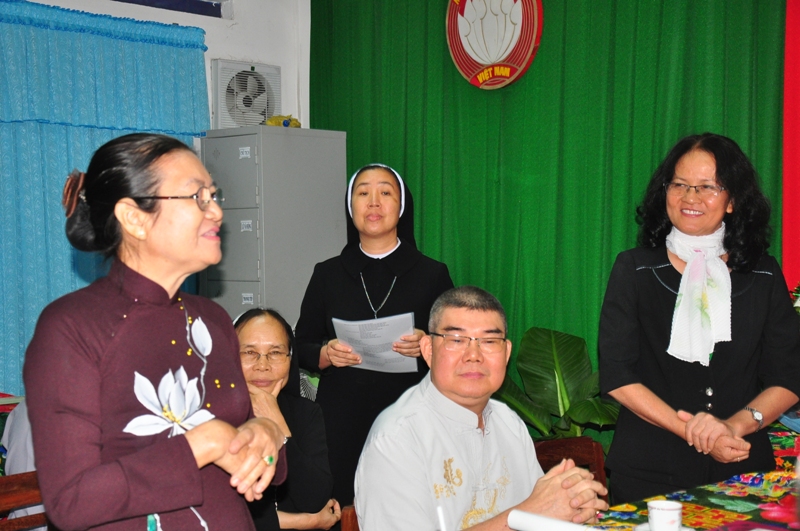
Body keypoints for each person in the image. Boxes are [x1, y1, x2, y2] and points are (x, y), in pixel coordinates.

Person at [23, 133, 286, 531]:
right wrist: (202, 444)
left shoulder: (213, 320)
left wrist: (267, 433)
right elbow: (70, 502)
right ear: (134, 218)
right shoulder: (71, 327)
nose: (216, 211)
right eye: (197, 196)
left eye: (214, 195)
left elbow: (264, 464)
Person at [599, 133, 800, 503]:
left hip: (741, 464)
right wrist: (694, 431)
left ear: (733, 200)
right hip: (648, 470)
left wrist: (733, 427)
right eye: (679, 184)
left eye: (707, 187)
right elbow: (617, 375)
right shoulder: (635, 269)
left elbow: (787, 376)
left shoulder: (764, 274)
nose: (690, 197)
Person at [354, 286, 608, 530]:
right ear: (428, 350)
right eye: (456, 339)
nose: (473, 355)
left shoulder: (509, 422)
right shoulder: (396, 438)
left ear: (506, 353)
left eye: (489, 341)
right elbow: (535, 510)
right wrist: (527, 515)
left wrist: (572, 509)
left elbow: (543, 512)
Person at [295, 163, 454, 504]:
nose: (373, 202)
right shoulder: (327, 274)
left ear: (401, 206)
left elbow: (453, 345)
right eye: (363, 193)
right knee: (345, 506)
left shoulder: (432, 274)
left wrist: (427, 345)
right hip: (341, 418)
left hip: (410, 412)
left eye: (385, 193)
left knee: (407, 504)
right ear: (350, 206)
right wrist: (325, 354)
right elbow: (300, 346)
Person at [234, 308, 341, 531]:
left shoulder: (306, 413)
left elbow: (315, 499)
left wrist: (277, 423)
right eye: (250, 352)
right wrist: (305, 522)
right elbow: (221, 513)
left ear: (290, 359)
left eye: (275, 352)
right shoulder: (212, 416)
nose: (262, 365)